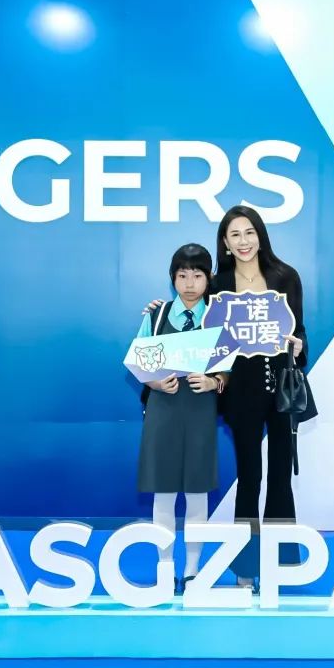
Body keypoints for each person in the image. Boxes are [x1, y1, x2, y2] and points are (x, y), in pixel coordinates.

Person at [212, 205, 313, 590]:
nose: (244, 241)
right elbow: (207, 338)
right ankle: (245, 568)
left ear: (261, 235)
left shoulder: (285, 276)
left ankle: (281, 565)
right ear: (225, 242)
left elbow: (299, 334)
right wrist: (158, 311)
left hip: (280, 385)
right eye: (235, 234)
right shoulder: (219, 284)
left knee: (281, 477)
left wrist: (297, 346)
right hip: (241, 389)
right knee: (249, 476)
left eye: (249, 232)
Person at [134, 243, 228, 594]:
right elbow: (138, 361)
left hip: (200, 411)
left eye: (197, 275)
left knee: (197, 491)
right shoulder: (156, 316)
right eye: (182, 276)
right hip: (164, 409)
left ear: (209, 278)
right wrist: (155, 382)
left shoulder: (219, 316)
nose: (190, 283)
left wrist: (215, 381)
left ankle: (191, 570)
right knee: (164, 491)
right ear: (173, 279)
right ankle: (164, 568)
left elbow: (230, 366)